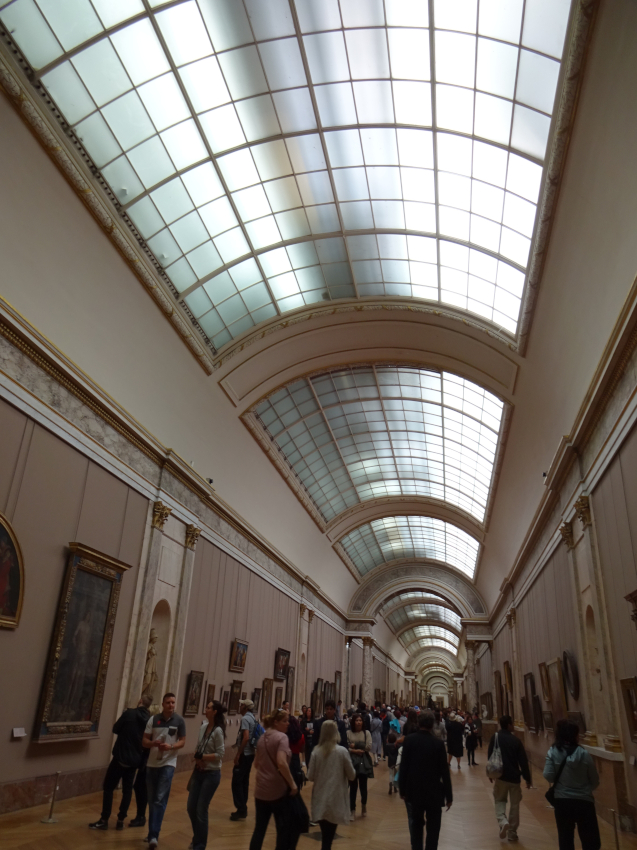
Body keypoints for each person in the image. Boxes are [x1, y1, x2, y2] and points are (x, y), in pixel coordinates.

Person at [89, 695, 152, 831]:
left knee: (108, 788)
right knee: (127, 790)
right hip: (135, 760)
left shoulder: (129, 713)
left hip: (120, 757)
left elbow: (115, 729)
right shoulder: (149, 721)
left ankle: (104, 819)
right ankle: (120, 820)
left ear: (140, 701)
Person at [398, 711, 452, 850]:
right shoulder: (438, 744)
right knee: (433, 828)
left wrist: (402, 790)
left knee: (416, 824)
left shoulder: (409, 740)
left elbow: (404, 767)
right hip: (434, 792)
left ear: (419, 723)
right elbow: (444, 772)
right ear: (432, 725)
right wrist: (449, 796)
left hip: (414, 791)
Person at [543, 720, 600, 850]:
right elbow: (595, 779)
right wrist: (584, 789)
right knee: (590, 840)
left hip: (562, 801)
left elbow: (548, 776)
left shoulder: (553, 752)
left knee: (565, 839)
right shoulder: (584, 754)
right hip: (584, 802)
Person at [249, 708, 300, 850]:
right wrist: (292, 784)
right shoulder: (282, 738)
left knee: (259, 830)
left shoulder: (262, 738)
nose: (288, 724)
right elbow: (282, 763)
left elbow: (257, 764)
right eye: (284, 721)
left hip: (260, 790)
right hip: (277, 791)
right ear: (276, 722)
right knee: (282, 829)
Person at [142, 693, 186, 849]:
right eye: (168, 702)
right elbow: (144, 741)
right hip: (152, 763)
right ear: (163, 704)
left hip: (169, 763)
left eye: (173, 702)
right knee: (153, 799)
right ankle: (151, 833)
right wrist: (153, 743)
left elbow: (182, 741)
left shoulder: (179, 721)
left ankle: (154, 835)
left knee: (160, 799)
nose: (171, 705)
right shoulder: (153, 720)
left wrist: (171, 747)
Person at [307, 720, 356, 850]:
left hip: (320, 797)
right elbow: (352, 775)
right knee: (329, 837)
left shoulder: (316, 751)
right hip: (336, 797)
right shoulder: (342, 751)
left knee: (325, 836)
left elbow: (310, 776)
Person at [187, 700, 226, 850]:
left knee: (201, 809)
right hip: (199, 772)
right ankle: (197, 836)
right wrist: (197, 759)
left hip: (211, 774)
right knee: (191, 807)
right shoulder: (203, 727)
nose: (206, 710)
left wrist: (202, 757)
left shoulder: (218, 731)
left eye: (208, 708)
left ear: (215, 711)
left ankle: (200, 844)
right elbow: (199, 747)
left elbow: (220, 754)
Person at [488, 715, 531, 842]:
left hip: (500, 776)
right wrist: (527, 778)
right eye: (512, 724)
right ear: (508, 725)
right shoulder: (516, 741)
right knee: (515, 805)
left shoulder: (495, 737)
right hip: (514, 778)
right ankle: (512, 832)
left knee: (499, 800)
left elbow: (490, 756)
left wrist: (491, 774)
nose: (513, 726)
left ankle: (502, 821)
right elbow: (523, 761)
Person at [230, 698, 257, 820]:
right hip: (251, 753)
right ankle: (243, 806)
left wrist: (238, 754)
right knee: (244, 780)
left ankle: (241, 808)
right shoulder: (252, 717)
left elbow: (245, 737)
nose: (240, 707)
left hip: (245, 754)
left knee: (236, 781)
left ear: (246, 707)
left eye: (241, 705)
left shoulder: (246, 718)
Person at [346, 713, 372, 820]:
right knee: (352, 787)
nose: (358, 722)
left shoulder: (367, 733)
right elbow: (346, 746)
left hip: (363, 762)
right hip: (351, 762)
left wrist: (355, 745)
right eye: (356, 720)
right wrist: (356, 750)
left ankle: (364, 805)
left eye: (360, 720)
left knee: (363, 786)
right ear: (353, 722)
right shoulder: (348, 733)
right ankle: (352, 810)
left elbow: (368, 747)